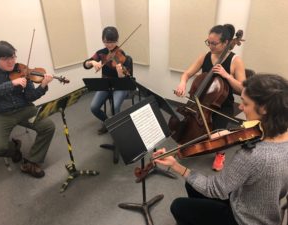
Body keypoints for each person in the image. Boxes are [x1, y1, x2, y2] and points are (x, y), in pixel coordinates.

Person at [154, 74, 288, 225]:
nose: (240, 107)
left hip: (243, 219)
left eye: (245, 103)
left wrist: (176, 166)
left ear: (264, 109)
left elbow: (214, 189)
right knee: (191, 185)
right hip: (266, 211)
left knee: (178, 206)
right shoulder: (281, 135)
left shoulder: (253, 156)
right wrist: (232, 133)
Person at [174, 24, 246, 171]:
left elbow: (242, 89)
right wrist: (182, 83)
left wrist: (227, 76)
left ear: (226, 43)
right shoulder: (205, 57)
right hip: (200, 101)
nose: (210, 46)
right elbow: (187, 74)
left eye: (214, 43)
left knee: (218, 134)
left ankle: (220, 154)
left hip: (222, 104)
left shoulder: (235, 61)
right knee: (191, 120)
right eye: (208, 42)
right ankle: (188, 140)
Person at [0, 41, 55, 178]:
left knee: (48, 126)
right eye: (6, 59)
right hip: (0, 114)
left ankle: (32, 162)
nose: (11, 61)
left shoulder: (22, 70)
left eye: (13, 56)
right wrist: (11, 84)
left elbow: (31, 96)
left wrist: (42, 86)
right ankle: (14, 149)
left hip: (24, 109)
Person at [83, 26, 132, 135]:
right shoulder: (101, 53)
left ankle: (117, 128)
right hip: (105, 85)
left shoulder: (122, 54)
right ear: (103, 40)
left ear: (117, 40)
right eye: (106, 42)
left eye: (112, 42)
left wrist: (120, 74)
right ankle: (108, 122)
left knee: (115, 107)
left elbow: (126, 77)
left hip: (120, 86)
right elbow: (85, 64)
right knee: (94, 107)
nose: (109, 45)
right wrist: (91, 62)